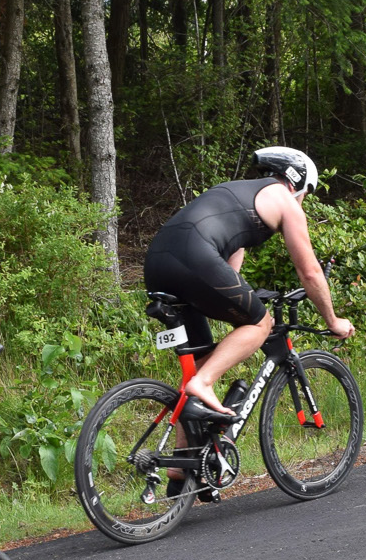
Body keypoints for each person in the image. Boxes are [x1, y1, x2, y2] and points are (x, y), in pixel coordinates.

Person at [143, 146, 353, 420]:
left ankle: (188, 443)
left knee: (198, 371)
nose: (303, 202)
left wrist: (243, 312)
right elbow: (311, 273)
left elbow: (226, 277)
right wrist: (332, 321)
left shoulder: (236, 194)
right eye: (306, 194)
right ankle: (203, 383)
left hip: (157, 263)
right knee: (259, 325)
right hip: (194, 254)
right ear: (297, 183)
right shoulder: (285, 200)